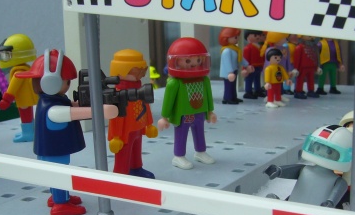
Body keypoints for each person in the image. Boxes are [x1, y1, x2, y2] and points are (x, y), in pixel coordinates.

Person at [16, 49, 118, 215]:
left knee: (57, 174)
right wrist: (100, 111)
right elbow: (72, 113)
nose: (68, 85)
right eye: (66, 82)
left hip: (53, 149)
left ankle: (58, 197)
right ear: (51, 82)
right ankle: (61, 204)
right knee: (60, 175)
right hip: (55, 150)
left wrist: (88, 104)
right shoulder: (53, 109)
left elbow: (71, 106)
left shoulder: (50, 100)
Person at [264, 124, 353, 215]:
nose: (322, 153)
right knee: (290, 202)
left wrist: (329, 203)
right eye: (318, 147)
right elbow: (292, 170)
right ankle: (277, 212)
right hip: (292, 210)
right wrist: (279, 171)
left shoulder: (338, 181)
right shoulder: (305, 169)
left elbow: (336, 195)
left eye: (329, 151)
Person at [157, 37, 217, 170]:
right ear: (176, 61)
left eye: (198, 60)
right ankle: (178, 156)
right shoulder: (174, 83)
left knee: (200, 132)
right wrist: (164, 117)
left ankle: (200, 152)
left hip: (199, 112)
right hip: (183, 114)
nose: (194, 64)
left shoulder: (204, 80)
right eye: (188, 60)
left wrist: (210, 111)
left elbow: (208, 96)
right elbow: (168, 100)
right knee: (181, 134)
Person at [108, 49, 158, 179]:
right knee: (123, 154)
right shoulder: (118, 93)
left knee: (136, 150)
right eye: (137, 72)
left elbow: (146, 106)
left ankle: (136, 168)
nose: (140, 75)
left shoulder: (140, 89)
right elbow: (115, 117)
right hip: (124, 133)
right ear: (121, 71)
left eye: (142, 72)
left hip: (138, 128)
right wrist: (116, 136)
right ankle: (120, 176)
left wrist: (149, 124)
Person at [0, 34, 38, 142]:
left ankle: (28, 133)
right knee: (27, 114)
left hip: (23, 99)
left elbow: (13, 87)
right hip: (25, 98)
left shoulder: (18, 71)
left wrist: (6, 99)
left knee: (25, 115)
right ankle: (30, 131)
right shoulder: (25, 68)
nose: (3, 58)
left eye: (6, 54)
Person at [218, 27, 253, 105]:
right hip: (228, 72)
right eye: (235, 37)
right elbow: (227, 62)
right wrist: (230, 72)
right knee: (228, 86)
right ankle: (227, 98)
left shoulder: (235, 49)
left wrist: (247, 65)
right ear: (226, 38)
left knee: (233, 85)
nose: (237, 39)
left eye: (237, 37)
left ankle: (233, 97)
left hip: (234, 70)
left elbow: (240, 59)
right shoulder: (226, 51)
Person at [293, 35, 322, 99]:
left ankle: (311, 90)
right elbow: (297, 58)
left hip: (311, 67)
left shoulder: (314, 47)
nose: (311, 37)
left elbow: (316, 57)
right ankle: (298, 91)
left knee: (311, 79)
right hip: (302, 67)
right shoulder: (300, 47)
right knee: (300, 79)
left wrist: (317, 67)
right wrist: (296, 68)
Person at [242, 30, 266, 99]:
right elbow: (245, 59)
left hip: (259, 66)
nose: (257, 37)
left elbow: (263, 57)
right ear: (248, 37)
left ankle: (257, 90)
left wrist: (263, 65)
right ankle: (248, 92)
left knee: (257, 79)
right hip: (251, 67)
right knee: (249, 79)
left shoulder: (261, 47)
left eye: (259, 35)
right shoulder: (248, 48)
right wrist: (245, 68)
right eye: (255, 35)